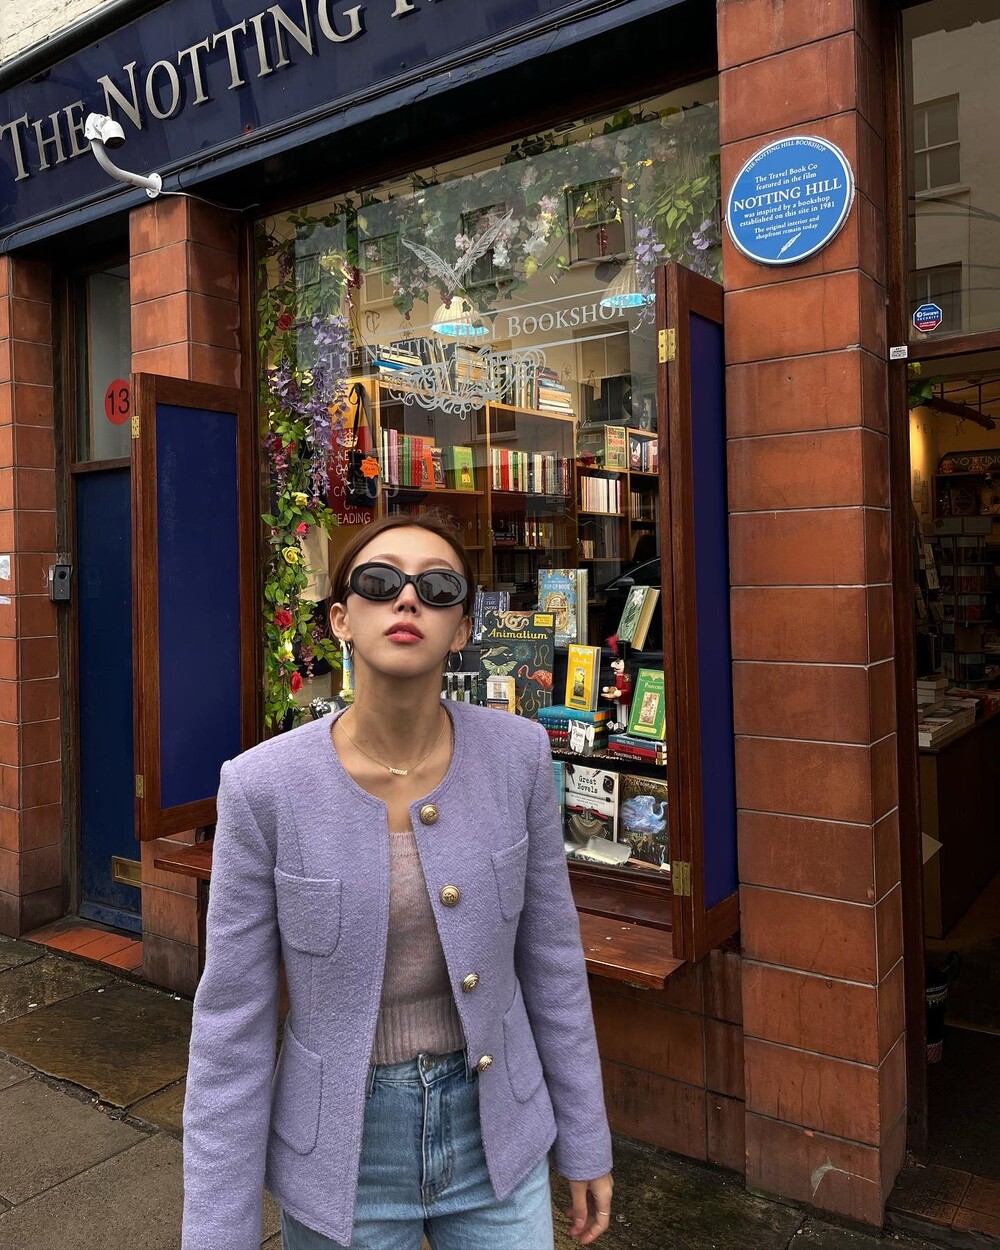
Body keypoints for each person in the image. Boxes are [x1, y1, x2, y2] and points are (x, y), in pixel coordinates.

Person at [182, 511, 613, 1250]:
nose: (407, 598)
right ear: (341, 620)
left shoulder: (516, 757)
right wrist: (217, 1232)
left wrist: (586, 1138)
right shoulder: (264, 787)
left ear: (463, 628)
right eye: (380, 583)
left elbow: (552, 963)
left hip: (497, 1132)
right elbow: (233, 1024)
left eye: (437, 587)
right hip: (342, 1156)